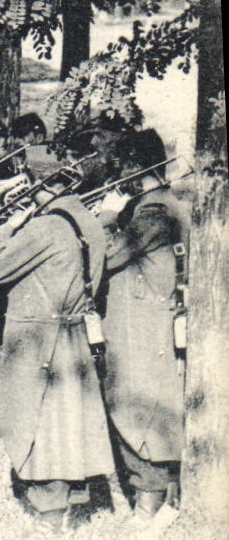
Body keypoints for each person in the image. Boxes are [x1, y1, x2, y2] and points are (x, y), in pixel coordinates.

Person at [0, 154, 113, 530]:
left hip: (39, 341)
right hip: (75, 335)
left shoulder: (45, 227)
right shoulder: (89, 220)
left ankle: (49, 518)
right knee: (70, 424)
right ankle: (72, 506)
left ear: (38, 184)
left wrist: (5, 229)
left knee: (37, 424)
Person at [99, 129, 188, 519]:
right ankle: (163, 501)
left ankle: (148, 508)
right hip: (155, 326)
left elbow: (109, 257)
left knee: (139, 412)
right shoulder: (167, 203)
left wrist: (105, 217)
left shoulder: (152, 213)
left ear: (135, 167)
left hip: (142, 331)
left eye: (123, 167)